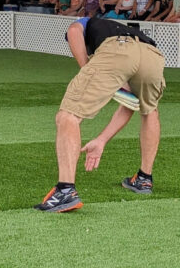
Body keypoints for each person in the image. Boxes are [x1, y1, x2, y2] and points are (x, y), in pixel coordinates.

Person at [34, 17, 165, 212]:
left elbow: (73, 31)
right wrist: (101, 139)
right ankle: (144, 179)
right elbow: (130, 105)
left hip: (118, 49)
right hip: (152, 55)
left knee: (68, 115)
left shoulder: (86, 23)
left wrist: (86, 68)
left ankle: (65, 190)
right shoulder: (116, 27)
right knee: (149, 111)